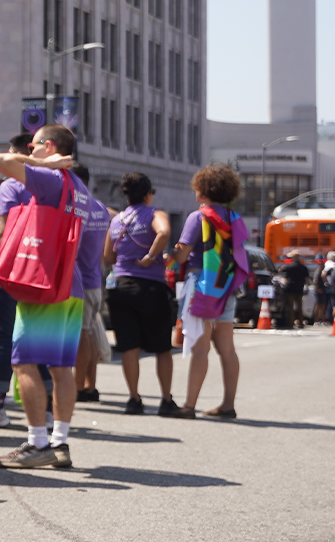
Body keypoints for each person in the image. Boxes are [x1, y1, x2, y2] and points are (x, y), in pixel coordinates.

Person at [0, 125, 87, 467]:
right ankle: (59, 443)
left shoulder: (50, 178)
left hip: (44, 286)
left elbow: (0, 160)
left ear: (47, 146)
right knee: (61, 368)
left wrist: (41, 164)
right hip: (71, 285)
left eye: (33, 146)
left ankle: (37, 444)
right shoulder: (79, 186)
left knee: (23, 362)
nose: (29, 152)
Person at [172, 164, 249, 418]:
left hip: (202, 286)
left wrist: (171, 253)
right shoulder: (233, 217)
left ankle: (189, 405)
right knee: (227, 348)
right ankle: (228, 405)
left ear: (203, 190)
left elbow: (182, 256)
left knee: (200, 348)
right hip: (225, 285)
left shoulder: (198, 216)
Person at [104, 171, 177, 415]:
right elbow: (164, 232)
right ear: (148, 195)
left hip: (120, 286)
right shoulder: (155, 213)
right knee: (162, 348)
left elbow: (108, 256)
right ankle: (166, 400)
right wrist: (150, 257)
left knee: (129, 346)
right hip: (150, 287)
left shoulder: (117, 220)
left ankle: (134, 399)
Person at [0, 130, 36, 427]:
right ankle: (47, 412)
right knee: (38, 343)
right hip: (43, 277)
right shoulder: (59, 184)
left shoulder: (12, 186)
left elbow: (3, 231)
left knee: (5, 341)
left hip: (12, 274)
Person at [69, 164, 114, 404]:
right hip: (95, 279)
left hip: (81, 281)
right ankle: (90, 385)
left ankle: (78, 387)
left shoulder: (80, 208)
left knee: (83, 334)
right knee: (91, 333)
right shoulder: (100, 208)